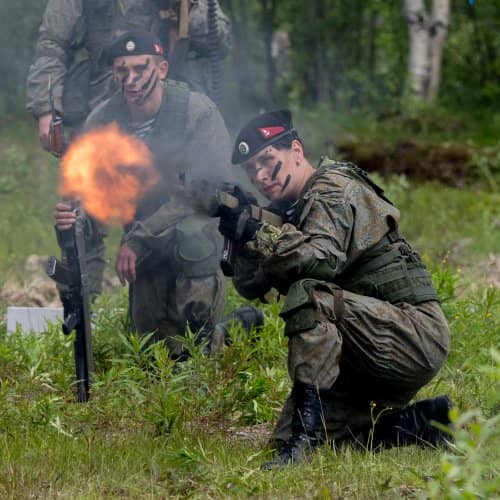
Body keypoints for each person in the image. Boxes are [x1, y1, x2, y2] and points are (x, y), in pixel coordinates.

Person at [217, 110, 452, 469]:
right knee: (297, 440)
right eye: (251, 171)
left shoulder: (332, 190)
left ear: (296, 150)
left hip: (413, 337)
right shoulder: (289, 211)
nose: (260, 176)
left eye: (267, 161)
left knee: (312, 295)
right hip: (360, 349)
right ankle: (424, 423)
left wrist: (259, 233)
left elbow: (318, 261)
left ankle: (305, 440)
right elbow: (252, 287)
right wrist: (244, 230)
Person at [55, 31, 261, 358]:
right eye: (122, 70)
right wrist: (74, 217)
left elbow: (204, 193)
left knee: (195, 355)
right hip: (145, 252)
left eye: (141, 68)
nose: (131, 80)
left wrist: (137, 239)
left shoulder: (197, 113)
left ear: (162, 68)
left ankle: (231, 326)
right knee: (153, 359)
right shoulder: (103, 121)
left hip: (194, 242)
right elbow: (87, 195)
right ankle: (225, 326)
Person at [27, 0, 231, 152]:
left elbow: (219, 41)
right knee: (93, 197)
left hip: (168, 111)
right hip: (100, 109)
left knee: (174, 198)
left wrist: (188, 8)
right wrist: (47, 109)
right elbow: (52, 45)